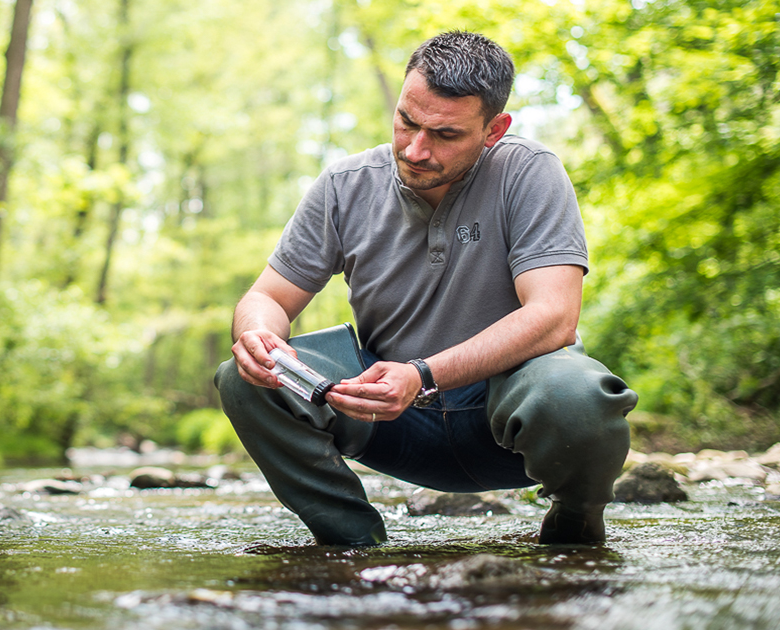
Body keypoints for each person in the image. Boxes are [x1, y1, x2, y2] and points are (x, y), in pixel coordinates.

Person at [214, 31, 639, 546]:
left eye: (445, 134)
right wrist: (259, 336)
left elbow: (554, 316)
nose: (416, 150)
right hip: (391, 422)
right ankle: (352, 548)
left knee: (579, 394)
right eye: (406, 122)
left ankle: (575, 528)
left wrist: (423, 374)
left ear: (493, 130)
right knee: (242, 379)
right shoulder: (344, 185)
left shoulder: (529, 173)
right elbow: (267, 298)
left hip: (505, 425)